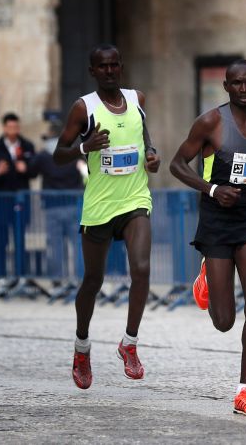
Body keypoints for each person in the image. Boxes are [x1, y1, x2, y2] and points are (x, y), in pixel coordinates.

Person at [169, 59, 246, 417]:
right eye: (237, 83)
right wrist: (212, 189)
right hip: (217, 222)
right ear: (226, 86)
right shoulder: (211, 122)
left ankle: (244, 390)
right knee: (224, 321)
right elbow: (177, 164)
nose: (244, 89)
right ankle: (207, 273)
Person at [54, 43, 160, 390]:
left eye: (115, 65)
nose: (110, 71)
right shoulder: (84, 108)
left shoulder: (137, 99)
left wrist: (152, 155)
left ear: (121, 66)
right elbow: (58, 154)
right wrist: (85, 147)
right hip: (100, 205)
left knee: (142, 269)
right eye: (103, 66)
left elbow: (143, 136)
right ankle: (82, 347)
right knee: (93, 281)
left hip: (134, 198)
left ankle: (129, 343)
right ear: (93, 71)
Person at [28, 121, 86, 279]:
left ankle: (57, 279)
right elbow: (86, 174)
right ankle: (80, 279)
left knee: (55, 247)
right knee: (78, 246)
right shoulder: (74, 154)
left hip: (52, 206)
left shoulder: (43, 156)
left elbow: (31, 172)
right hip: (73, 204)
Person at [0, 113, 36, 278]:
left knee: (20, 240)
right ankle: (1, 276)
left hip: (20, 201)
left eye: (16, 127)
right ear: (4, 127)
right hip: (1, 201)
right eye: (10, 127)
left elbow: (34, 171)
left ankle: (21, 275)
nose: (13, 130)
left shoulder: (27, 146)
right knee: (1, 241)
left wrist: (25, 169)